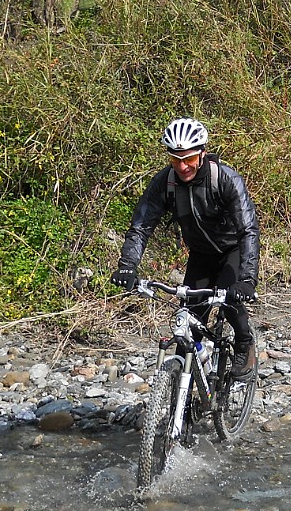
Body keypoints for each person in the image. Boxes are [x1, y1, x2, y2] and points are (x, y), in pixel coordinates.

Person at [110, 118, 260, 380]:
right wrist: (127, 266)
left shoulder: (224, 179)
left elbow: (247, 230)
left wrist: (247, 280)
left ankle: (245, 345)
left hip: (232, 252)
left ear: (202, 153)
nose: (182, 166)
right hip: (200, 256)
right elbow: (142, 226)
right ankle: (183, 402)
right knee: (187, 328)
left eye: (188, 159)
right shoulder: (165, 182)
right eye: (175, 159)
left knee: (229, 304)